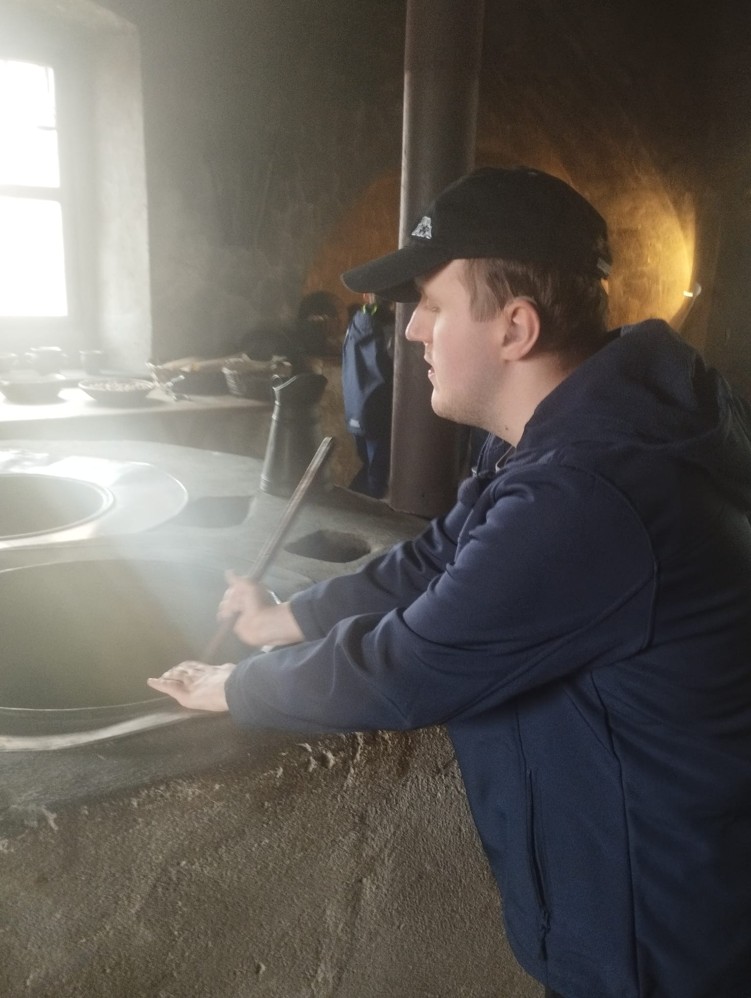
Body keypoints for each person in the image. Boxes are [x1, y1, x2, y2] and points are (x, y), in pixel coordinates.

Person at [148, 166, 751, 998]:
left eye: (431, 304)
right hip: (637, 895)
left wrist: (238, 686)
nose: (411, 332)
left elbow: (409, 668)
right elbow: (438, 558)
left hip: (658, 933)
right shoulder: (564, 432)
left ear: (515, 328)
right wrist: (288, 617)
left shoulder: (590, 493)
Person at [341, 292, 395, 498]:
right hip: (380, 412)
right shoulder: (390, 331)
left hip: (356, 410)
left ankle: (351, 504)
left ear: (367, 296)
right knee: (377, 477)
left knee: (369, 467)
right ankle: (363, 512)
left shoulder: (355, 324)